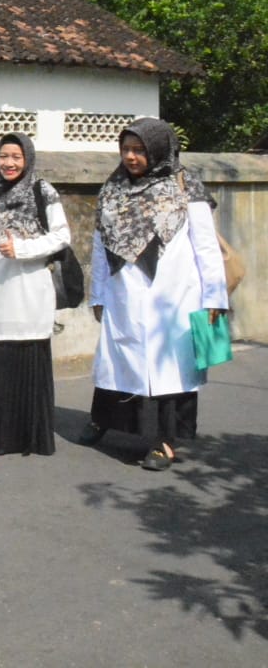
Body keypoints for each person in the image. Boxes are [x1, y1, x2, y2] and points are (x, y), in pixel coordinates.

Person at [82, 118, 229, 471]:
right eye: (127, 149)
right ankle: (106, 421)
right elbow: (100, 246)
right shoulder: (113, 188)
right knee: (120, 362)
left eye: (140, 150)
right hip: (122, 293)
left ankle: (164, 441)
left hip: (174, 296)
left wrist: (215, 299)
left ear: (159, 149)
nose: (131, 157)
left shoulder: (184, 186)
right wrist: (98, 294)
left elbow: (206, 246)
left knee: (168, 369)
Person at [0, 133, 67, 459]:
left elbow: (62, 236)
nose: (8, 163)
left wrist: (22, 248)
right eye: (3, 156)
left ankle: (27, 437)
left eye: (16, 157)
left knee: (28, 356)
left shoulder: (42, 191)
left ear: (28, 159)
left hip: (30, 287)